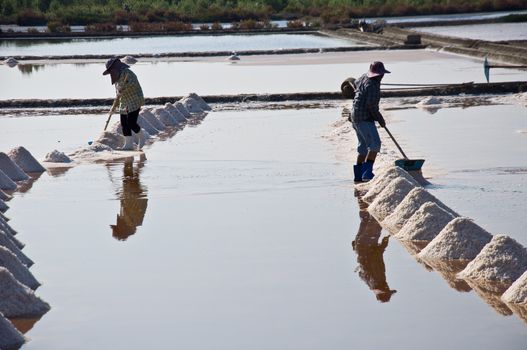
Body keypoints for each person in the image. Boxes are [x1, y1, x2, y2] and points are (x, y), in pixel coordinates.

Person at [349, 61, 390, 182]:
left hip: (354, 115)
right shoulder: (373, 86)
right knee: (375, 144)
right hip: (364, 118)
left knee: (362, 147)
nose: (381, 77)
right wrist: (380, 119)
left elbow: (355, 83)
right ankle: (367, 174)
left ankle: (358, 176)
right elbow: (371, 106)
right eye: (381, 74)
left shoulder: (363, 77)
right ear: (379, 75)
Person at [103, 57, 145, 150]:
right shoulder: (117, 80)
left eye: (111, 70)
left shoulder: (128, 73)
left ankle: (142, 138)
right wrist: (114, 106)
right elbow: (118, 95)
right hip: (124, 101)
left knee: (131, 122)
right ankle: (128, 144)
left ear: (115, 67)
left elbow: (133, 83)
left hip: (134, 99)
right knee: (124, 124)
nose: (111, 73)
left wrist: (124, 89)